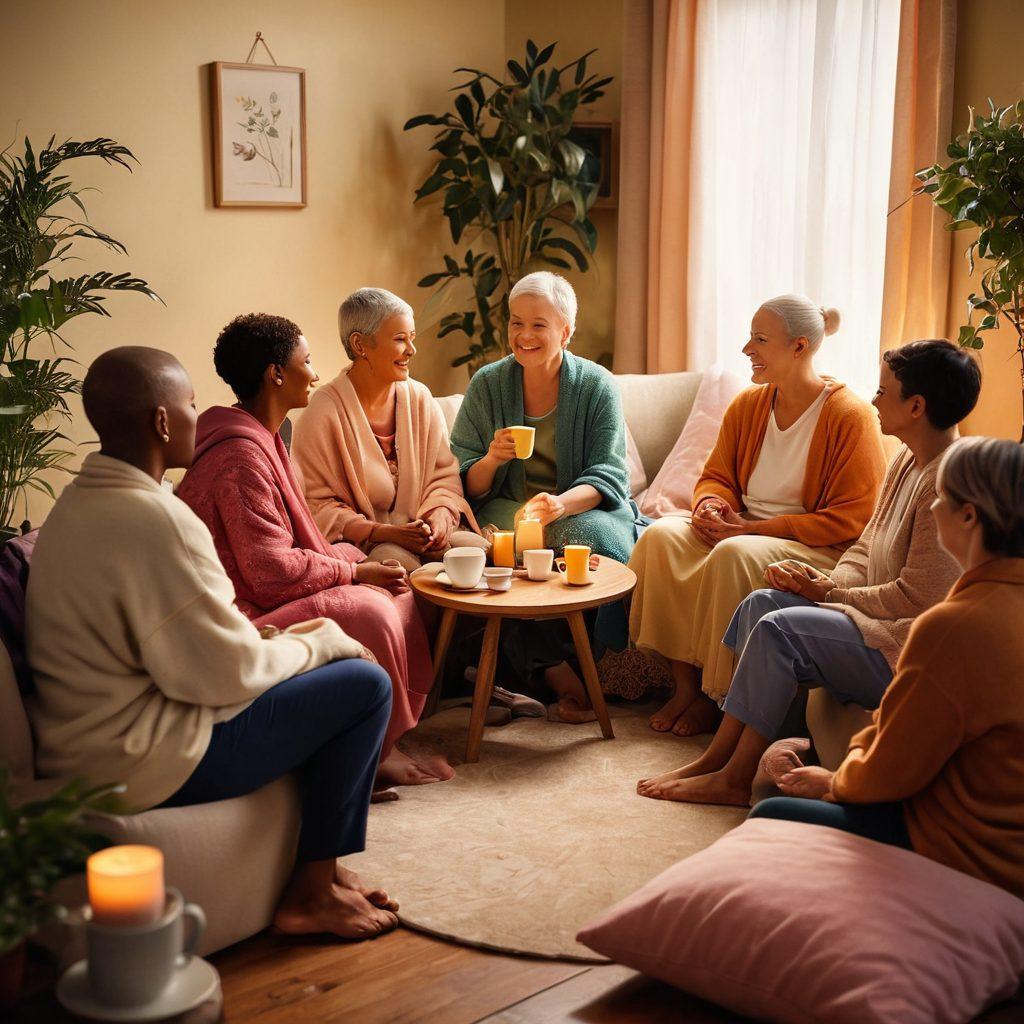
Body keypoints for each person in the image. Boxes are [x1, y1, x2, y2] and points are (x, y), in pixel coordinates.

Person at [27, 347, 399, 939]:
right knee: (364, 686)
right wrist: (323, 641)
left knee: (318, 665)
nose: (201, 418)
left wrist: (294, 642)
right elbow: (227, 675)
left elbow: (194, 649)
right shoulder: (155, 520)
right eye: (191, 405)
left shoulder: (77, 504)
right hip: (143, 762)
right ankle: (312, 893)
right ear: (162, 422)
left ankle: (325, 874)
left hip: (90, 747)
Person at [638, 339, 981, 805]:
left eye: (884, 392)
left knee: (779, 628)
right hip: (871, 619)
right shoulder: (906, 459)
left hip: (903, 646)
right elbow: (864, 546)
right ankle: (715, 759)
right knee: (760, 603)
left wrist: (830, 596)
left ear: (916, 406)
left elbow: (918, 601)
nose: (874, 400)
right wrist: (825, 583)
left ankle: (734, 779)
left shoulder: (948, 483)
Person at [177, 314, 451, 790]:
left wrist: (354, 560)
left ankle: (385, 734)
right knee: (368, 608)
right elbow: (268, 572)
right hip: (239, 613)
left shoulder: (262, 435)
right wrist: (355, 574)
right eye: (307, 362)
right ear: (275, 375)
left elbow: (292, 545)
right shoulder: (238, 455)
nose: (317, 372)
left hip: (263, 585)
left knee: (387, 581)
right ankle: (379, 751)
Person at [749, 437, 1024, 900]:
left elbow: (891, 773)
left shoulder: (954, 626)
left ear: (969, 516)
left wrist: (833, 781)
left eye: (942, 499)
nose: (933, 509)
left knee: (768, 809)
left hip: (971, 858)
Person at [627, 295, 886, 736]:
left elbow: (851, 521)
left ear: (800, 347)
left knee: (734, 554)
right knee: (661, 537)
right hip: (741, 529)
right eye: (750, 337)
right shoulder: (749, 405)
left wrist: (750, 528)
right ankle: (686, 687)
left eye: (760, 339)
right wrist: (711, 505)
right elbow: (715, 476)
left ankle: (721, 696)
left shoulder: (850, 416)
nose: (747, 349)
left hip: (814, 547)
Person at [449, 271, 639, 718]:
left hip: (582, 506)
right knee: (500, 544)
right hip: (507, 506)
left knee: (579, 536)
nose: (524, 335)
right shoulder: (488, 384)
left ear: (566, 331)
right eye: (516, 323)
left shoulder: (596, 386)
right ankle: (560, 676)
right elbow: (464, 482)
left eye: (539, 324)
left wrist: (559, 503)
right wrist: (493, 458)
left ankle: (566, 670)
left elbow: (608, 475)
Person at [292, 287, 486, 573]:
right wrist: (382, 532)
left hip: (424, 535)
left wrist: (440, 515)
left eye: (412, 338)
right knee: (399, 566)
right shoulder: (322, 412)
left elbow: (443, 478)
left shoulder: (419, 397)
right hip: (367, 544)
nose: (411, 349)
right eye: (399, 339)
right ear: (359, 345)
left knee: (480, 552)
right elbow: (315, 507)